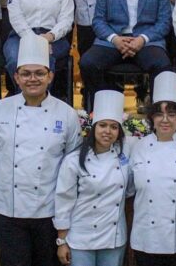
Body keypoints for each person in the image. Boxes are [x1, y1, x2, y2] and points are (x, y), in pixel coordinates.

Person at [0, 35, 82, 266]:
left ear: (50, 76)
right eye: (26, 73)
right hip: (8, 211)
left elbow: (72, 168)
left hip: (49, 213)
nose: (33, 79)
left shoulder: (67, 114)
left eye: (39, 73)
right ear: (16, 77)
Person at [79, 0, 173, 109]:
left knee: (162, 65)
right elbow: (98, 19)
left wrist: (142, 39)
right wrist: (115, 39)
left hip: (147, 41)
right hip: (113, 41)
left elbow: (164, 21)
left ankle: (157, 113)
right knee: (88, 63)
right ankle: (106, 107)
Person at [130, 72, 176, 265]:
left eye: (171, 114)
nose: (165, 120)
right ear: (151, 118)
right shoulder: (136, 147)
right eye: (159, 114)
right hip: (147, 238)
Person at [54, 90, 131, 266]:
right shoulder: (74, 160)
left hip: (114, 239)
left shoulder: (124, 156)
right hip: (80, 238)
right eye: (102, 125)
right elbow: (63, 201)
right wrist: (62, 241)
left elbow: (130, 189)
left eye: (114, 127)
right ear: (93, 127)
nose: (107, 131)